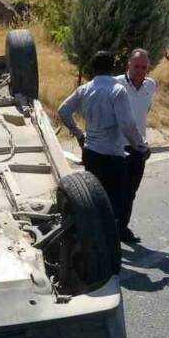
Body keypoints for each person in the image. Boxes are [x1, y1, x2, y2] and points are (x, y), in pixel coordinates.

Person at [58, 50, 143, 236]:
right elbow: (127, 125)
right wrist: (140, 146)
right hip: (112, 154)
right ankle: (109, 242)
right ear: (112, 68)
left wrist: (78, 133)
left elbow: (63, 110)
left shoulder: (85, 89)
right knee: (116, 201)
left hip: (91, 152)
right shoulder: (117, 90)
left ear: (93, 69)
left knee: (94, 199)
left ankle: (93, 236)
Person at [115, 49, 157, 244]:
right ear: (128, 65)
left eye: (144, 67)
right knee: (116, 191)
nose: (140, 71)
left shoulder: (151, 85)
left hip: (138, 147)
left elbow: (144, 112)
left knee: (131, 191)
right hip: (116, 146)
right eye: (136, 66)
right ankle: (110, 230)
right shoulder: (117, 84)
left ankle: (122, 228)